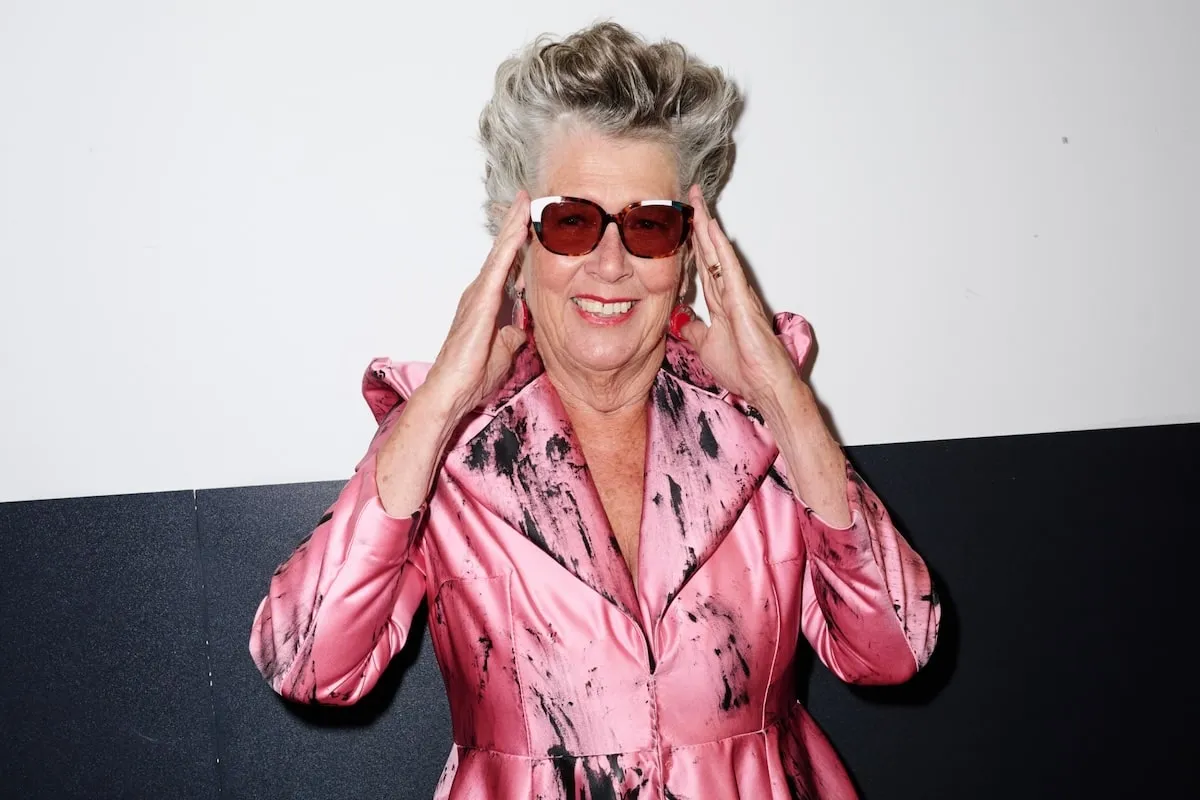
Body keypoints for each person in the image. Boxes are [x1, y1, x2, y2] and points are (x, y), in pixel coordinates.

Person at [250, 21, 939, 799]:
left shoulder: (760, 432)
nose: (610, 263)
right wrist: (444, 395)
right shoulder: (449, 449)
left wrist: (780, 394)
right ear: (521, 243)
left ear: (688, 256)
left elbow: (895, 648)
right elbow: (308, 663)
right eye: (572, 221)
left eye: (648, 225)